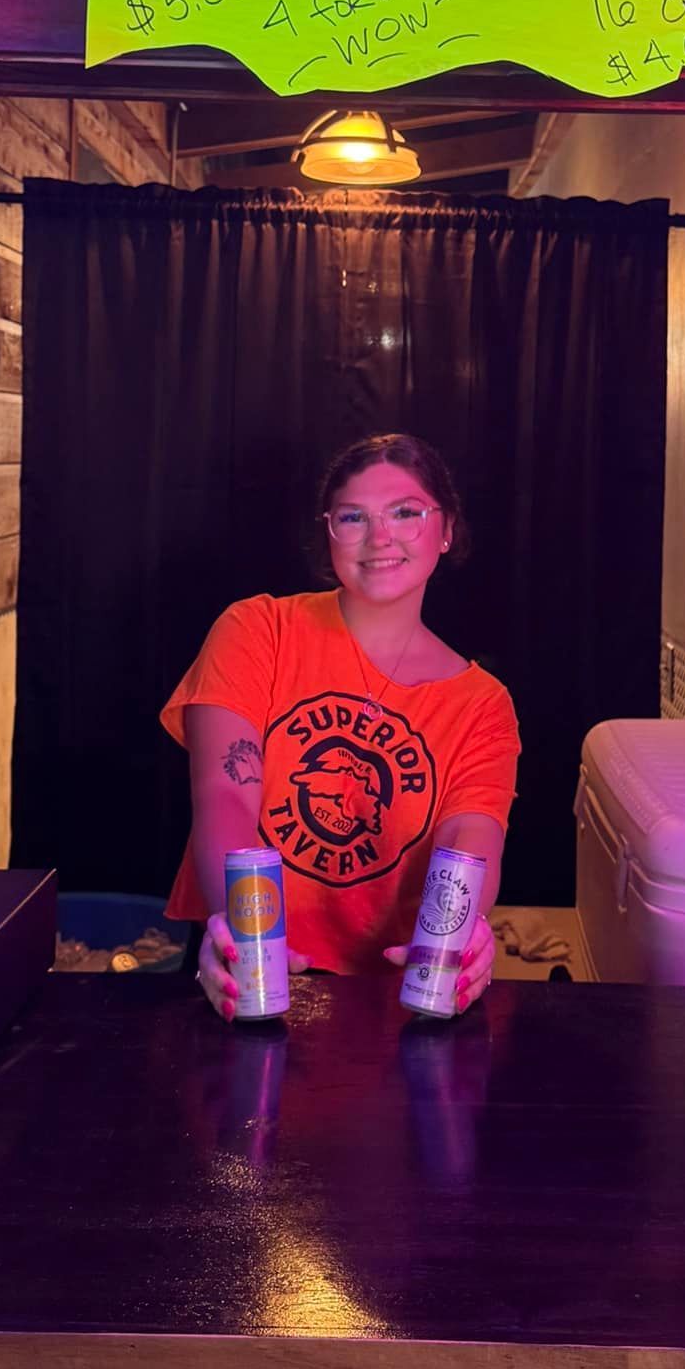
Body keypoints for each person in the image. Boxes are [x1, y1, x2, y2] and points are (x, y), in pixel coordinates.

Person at [161, 433, 521, 1020]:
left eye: (406, 512)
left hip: (393, 997)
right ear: (329, 535)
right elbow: (226, 796)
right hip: (241, 971)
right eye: (354, 517)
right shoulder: (259, 629)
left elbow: (470, 839)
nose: (381, 537)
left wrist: (465, 932)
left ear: (446, 528)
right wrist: (251, 942)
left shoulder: (482, 704)